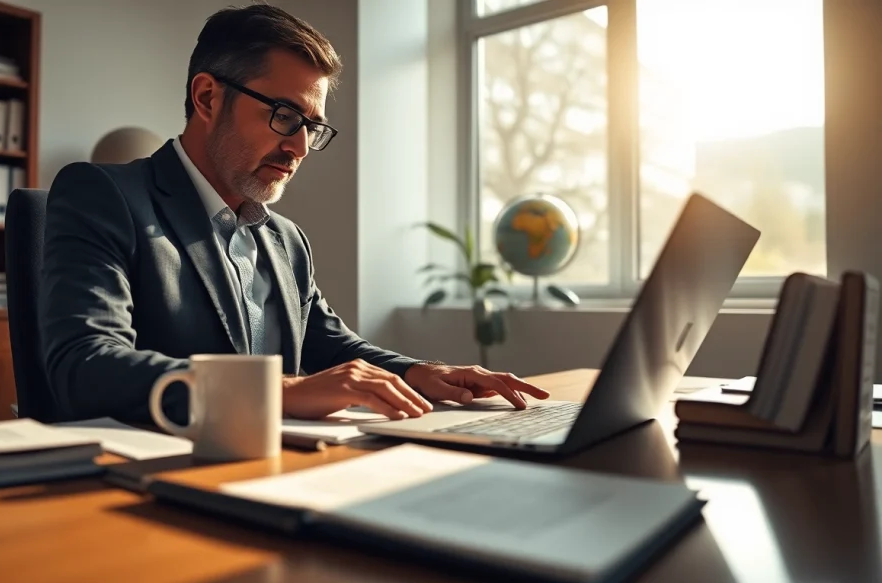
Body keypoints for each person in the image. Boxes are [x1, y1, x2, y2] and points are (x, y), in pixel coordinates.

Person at [39, 4, 548, 425]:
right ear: (207, 97)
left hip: (276, 468)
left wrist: (420, 373)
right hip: (149, 480)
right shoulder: (103, 194)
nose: (300, 146)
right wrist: (279, 390)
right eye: (285, 116)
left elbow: (327, 343)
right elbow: (86, 364)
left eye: (313, 126)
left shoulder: (285, 239)